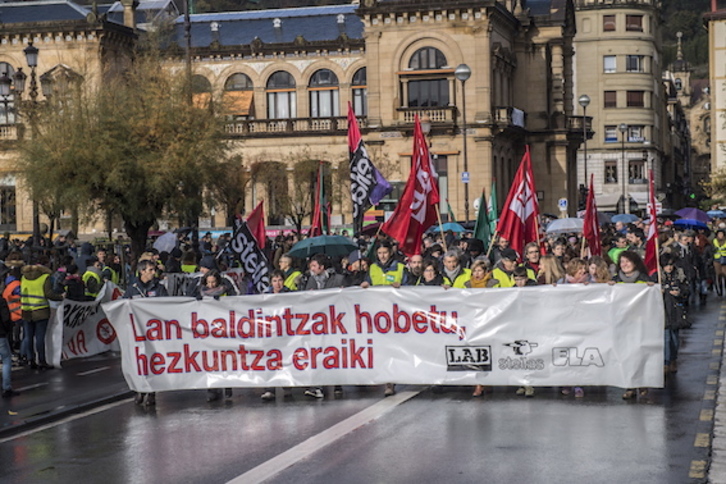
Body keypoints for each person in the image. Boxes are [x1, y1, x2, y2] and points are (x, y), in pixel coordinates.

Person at [124, 259, 169, 407]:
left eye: (154, 270)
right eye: (150, 270)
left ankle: (151, 392)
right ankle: (140, 390)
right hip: (137, 333)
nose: (153, 273)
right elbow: (123, 308)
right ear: (142, 271)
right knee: (139, 362)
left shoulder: (159, 288)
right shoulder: (132, 289)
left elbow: (167, 307)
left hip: (155, 334)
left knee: (153, 362)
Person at [301, 254, 345, 399]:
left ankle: (338, 382)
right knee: (319, 353)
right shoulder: (311, 280)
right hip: (318, 324)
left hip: (335, 322)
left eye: (314, 266)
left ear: (321, 267)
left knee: (335, 352)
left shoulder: (338, 279)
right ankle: (317, 385)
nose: (311, 269)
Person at [611, 250, 653, 400]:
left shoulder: (643, 279)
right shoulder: (615, 281)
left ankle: (642, 383)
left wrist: (652, 289)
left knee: (639, 355)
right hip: (623, 324)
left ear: (635, 263)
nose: (625, 265)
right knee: (626, 356)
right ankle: (629, 386)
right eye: (622, 262)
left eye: (628, 261)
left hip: (640, 324)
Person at [20, 261, 64, 370]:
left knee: (28, 337)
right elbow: (49, 294)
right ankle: (42, 361)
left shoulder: (24, 278)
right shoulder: (44, 278)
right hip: (41, 311)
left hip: (26, 310)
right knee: (40, 337)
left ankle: (30, 359)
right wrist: (61, 297)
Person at [199, 270, 234, 402]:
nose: (211, 285)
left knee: (226, 359)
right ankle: (212, 389)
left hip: (224, 330)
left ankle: (227, 386)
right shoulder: (200, 293)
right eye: (209, 282)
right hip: (209, 331)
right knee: (211, 360)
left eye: (214, 282)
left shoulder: (227, 290)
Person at [261, 270, 291, 402]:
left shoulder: (290, 294)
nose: (277, 284)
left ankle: (287, 385)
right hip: (270, 332)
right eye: (274, 281)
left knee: (285, 358)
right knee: (270, 359)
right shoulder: (265, 296)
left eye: (279, 280)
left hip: (285, 332)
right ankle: (269, 389)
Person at [660, 253, 689, 376]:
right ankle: (666, 362)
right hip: (663, 312)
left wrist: (680, 293)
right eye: (666, 265)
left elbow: (687, 290)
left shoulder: (679, 276)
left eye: (671, 265)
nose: (669, 268)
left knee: (675, 339)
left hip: (676, 311)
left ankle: (673, 359)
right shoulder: (658, 278)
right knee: (665, 338)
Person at [0, 291, 17, 398]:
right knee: (6, 360)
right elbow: (5, 318)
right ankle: (7, 388)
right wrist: (7, 331)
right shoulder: (1, 301)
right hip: (0, 334)